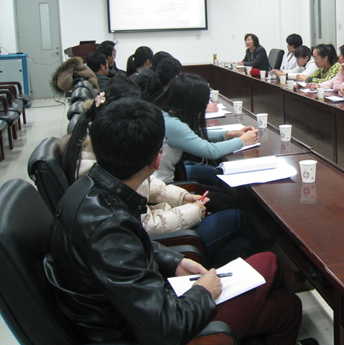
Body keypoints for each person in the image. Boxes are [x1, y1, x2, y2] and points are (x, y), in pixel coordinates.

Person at [44, 97, 305, 345]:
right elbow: (166, 327)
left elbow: (132, 245)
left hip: (127, 313)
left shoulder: (88, 188)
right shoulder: (108, 227)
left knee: (285, 305)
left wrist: (173, 261)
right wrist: (203, 292)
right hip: (139, 333)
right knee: (269, 262)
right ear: (157, 160)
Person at [60, 75, 253, 266]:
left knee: (229, 213)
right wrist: (193, 210)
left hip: (154, 226)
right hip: (157, 245)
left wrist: (181, 197)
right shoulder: (110, 163)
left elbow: (145, 186)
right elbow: (143, 226)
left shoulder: (102, 147)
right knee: (237, 219)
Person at [157, 73, 259, 185]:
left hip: (171, 175)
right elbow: (211, 151)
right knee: (221, 180)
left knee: (214, 171)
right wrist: (242, 141)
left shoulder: (164, 114)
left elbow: (192, 135)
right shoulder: (173, 125)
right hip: (163, 185)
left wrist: (231, 134)